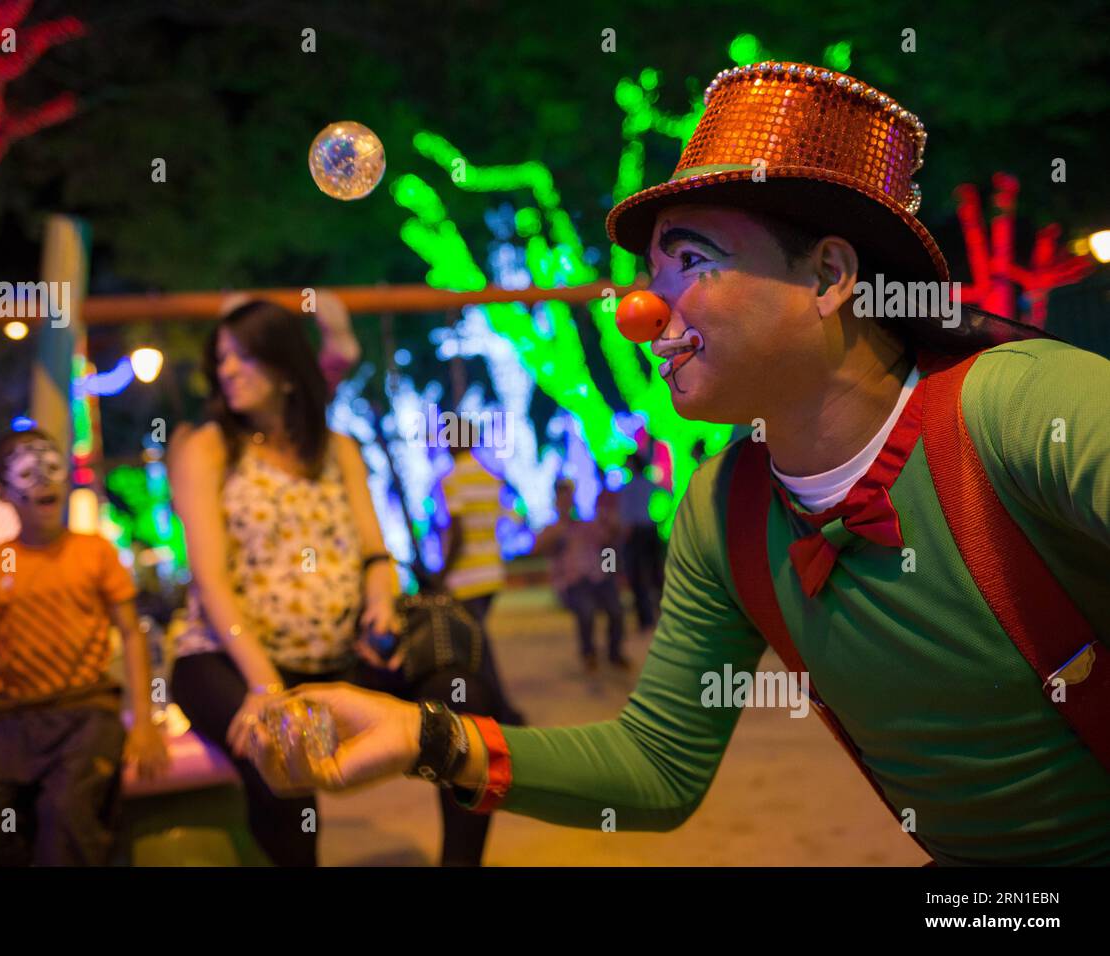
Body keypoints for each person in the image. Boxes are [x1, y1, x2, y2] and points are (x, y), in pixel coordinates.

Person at [240, 61, 1110, 866]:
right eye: (651, 273)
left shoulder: (1024, 410)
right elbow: (656, 765)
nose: (644, 309)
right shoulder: (724, 506)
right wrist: (422, 736)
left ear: (830, 276)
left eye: (693, 260)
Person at [168, 297, 498, 866]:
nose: (227, 371)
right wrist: (268, 689)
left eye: (244, 357)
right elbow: (211, 581)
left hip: (339, 652)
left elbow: (375, 553)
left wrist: (380, 605)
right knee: (279, 751)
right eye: (222, 359)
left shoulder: (337, 448)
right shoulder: (208, 448)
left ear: (287, 368)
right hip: (228, 656)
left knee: (465, 710)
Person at [0, 428, 169, 866]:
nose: (44, 482)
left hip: (86, 711)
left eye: (52, 468)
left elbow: (131, 633)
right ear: (2, 492)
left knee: (69, 814)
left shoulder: (95, 552)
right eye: (27, 473)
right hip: (10, 718)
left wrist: (144, 723)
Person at [440, 438, 525, 725]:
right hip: (491, 571)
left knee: (477, 649)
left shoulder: (452, 479)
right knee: (477, 644)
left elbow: (458, 531)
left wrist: (442, 573)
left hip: (466, 575)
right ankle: (491, 710)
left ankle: (500, 713)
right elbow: (511, 516)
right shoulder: (490, 476)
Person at [531, 478, 628, 671]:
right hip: (573, 582)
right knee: (586, 610)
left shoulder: (586, 525)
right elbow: (536, 549)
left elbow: (610, 538)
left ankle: (614, 653)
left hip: (598, 577)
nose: (567, 501)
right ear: (557, 500)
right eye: (563, 497)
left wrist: (613, 524)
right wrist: (559, 532)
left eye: (569, 496)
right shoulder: (552, 529)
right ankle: (588, 654)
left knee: (616, 610)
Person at [617, 452, 664, 631]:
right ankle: (663, 616)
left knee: (637, 577)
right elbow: (668, 492)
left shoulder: (628, 488)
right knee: (655, 576)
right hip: (650, 531)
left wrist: (623, 538)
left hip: (636, 534)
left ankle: (646, 620)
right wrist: (662, 519)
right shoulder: (647, 483)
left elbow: (626, 517)